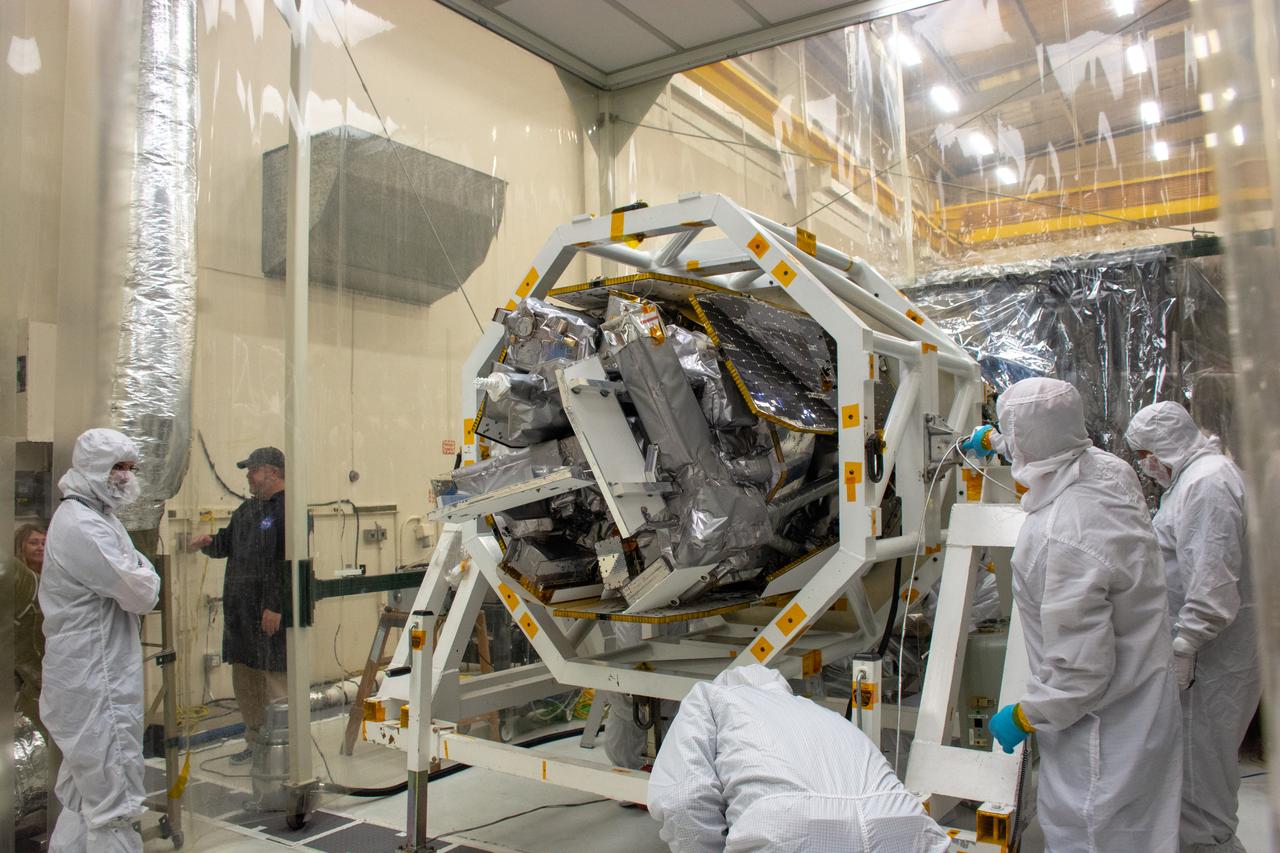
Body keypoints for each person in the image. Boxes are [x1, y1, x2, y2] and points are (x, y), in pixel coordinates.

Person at [964, 378, 1182, 852]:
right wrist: (996, 442)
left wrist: (1027, 714)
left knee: (1091, 833)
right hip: (1144, 695)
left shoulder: (1058, 537)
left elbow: (1080, 674)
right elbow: (1046, 445)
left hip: (1102, 728)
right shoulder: (1109, 469)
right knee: (1145, 828)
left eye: (1008, 432)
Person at [1126, 401, 1259, 853]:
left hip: (1210, 658)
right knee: (1195, 773)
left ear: (1165, 445)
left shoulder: (1206, 484)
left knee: (1202, 781)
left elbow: (1213, 583)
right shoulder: (1198, 479)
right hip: (1208, 654)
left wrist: (1185, 646)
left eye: (1146, 453)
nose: (1146, 464)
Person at [648, 665, 949, 853]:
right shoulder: (817, 712)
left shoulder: (712, 698)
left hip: (789, 830)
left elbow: (684, 799)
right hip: (904, 823)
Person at [40, 428, 160, 852]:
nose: (125, 477)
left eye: (129, 468)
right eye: (116, 468)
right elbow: (143, 591)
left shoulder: (99, 519)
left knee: (81, 798)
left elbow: (137, 580)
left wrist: (138, 570)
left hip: (88, 674)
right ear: (91, 468)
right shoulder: (83, 525)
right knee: (115, 804)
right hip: (96, 679)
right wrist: (141, 570)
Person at [188, 446, 288, 765]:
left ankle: (283, 745)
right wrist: (209, 544)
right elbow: (227, 543)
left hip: (269, 616)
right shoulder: (247, 512)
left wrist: (275, 605)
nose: (248, 476)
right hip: (241, 617)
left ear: (272, 472)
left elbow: (289, 563)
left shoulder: (290, 511)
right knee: (246, 683)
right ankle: (256, 740)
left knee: (274, 683)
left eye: (254, 470)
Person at [8, 523, 46, 729]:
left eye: (43, 543)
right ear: (20, 546)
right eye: (34, 543)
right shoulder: (19, 581)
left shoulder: (56, 577)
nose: (40, 547)